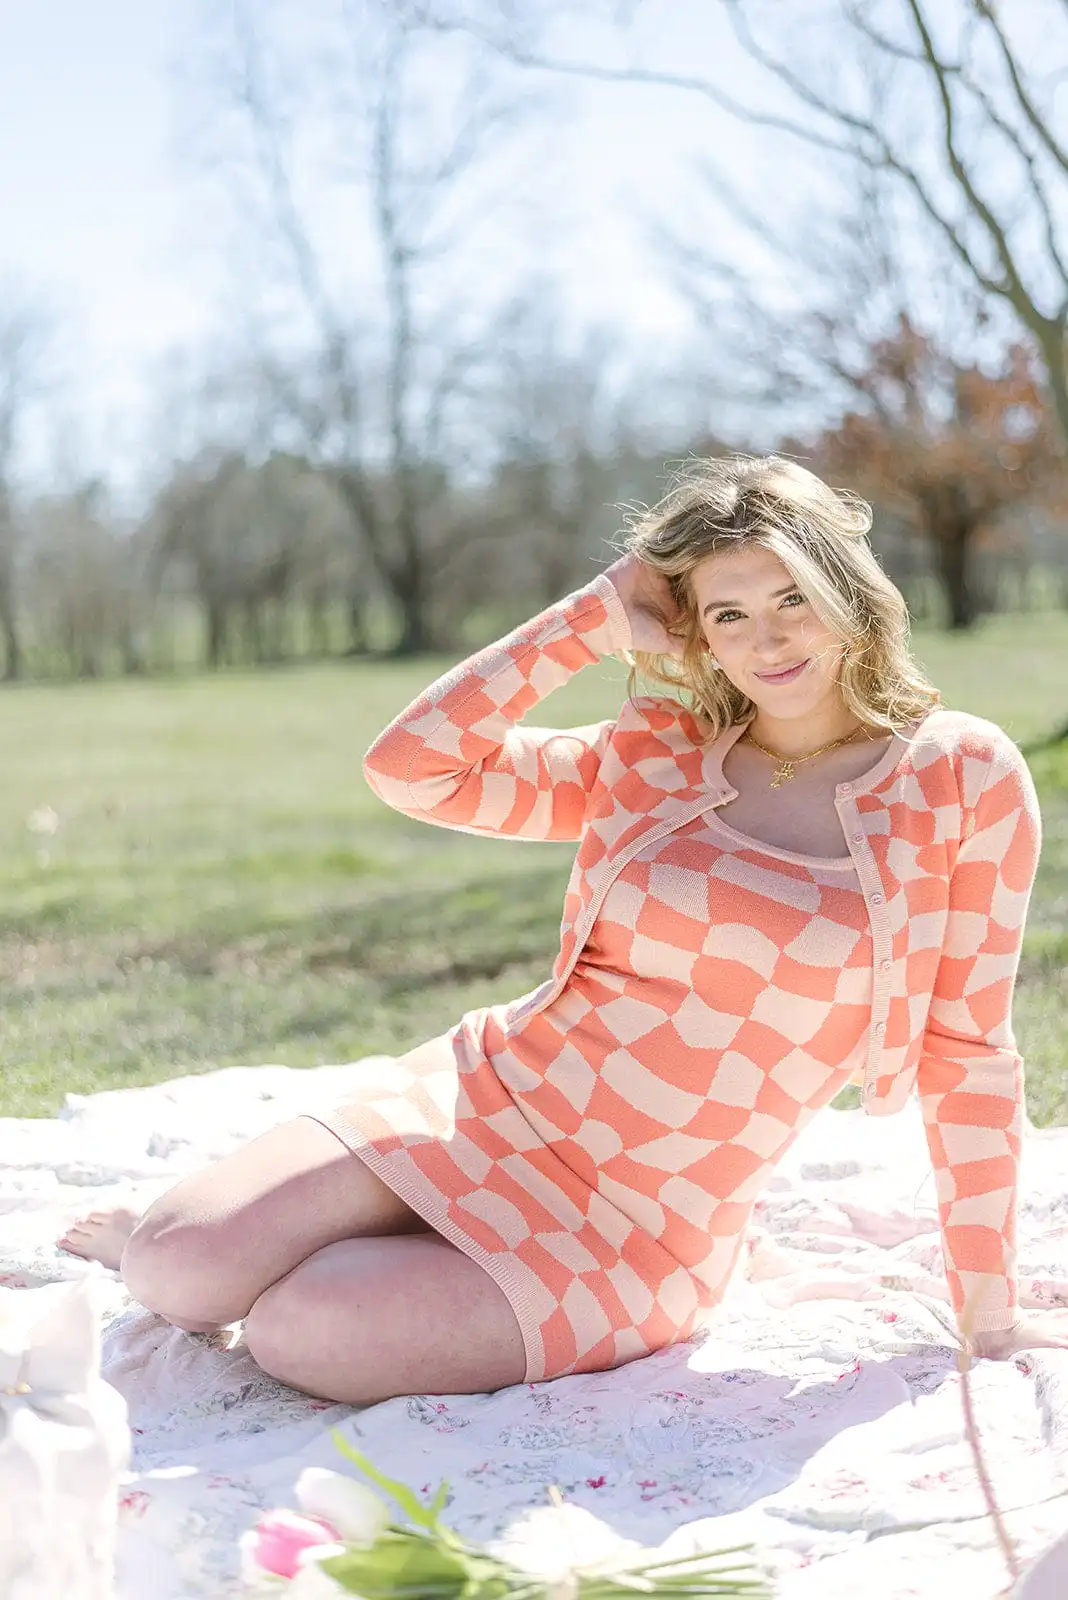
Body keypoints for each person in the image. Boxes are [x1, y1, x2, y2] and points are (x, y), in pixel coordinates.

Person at [59, 454, 1060, 1406]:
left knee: (298, 1328)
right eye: (729, 611)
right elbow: (414, 769)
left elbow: (968, 1054)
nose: (770, 638)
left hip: (643, 1230)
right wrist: (586, 622)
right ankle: (314, 1221)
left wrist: (988, 1306)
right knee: (173, 1266)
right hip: (490, 1103)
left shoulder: (959, 778)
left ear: (849, 591)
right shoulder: (658, 750)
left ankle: (382, 1240)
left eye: (793, 596)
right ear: (696, 630)